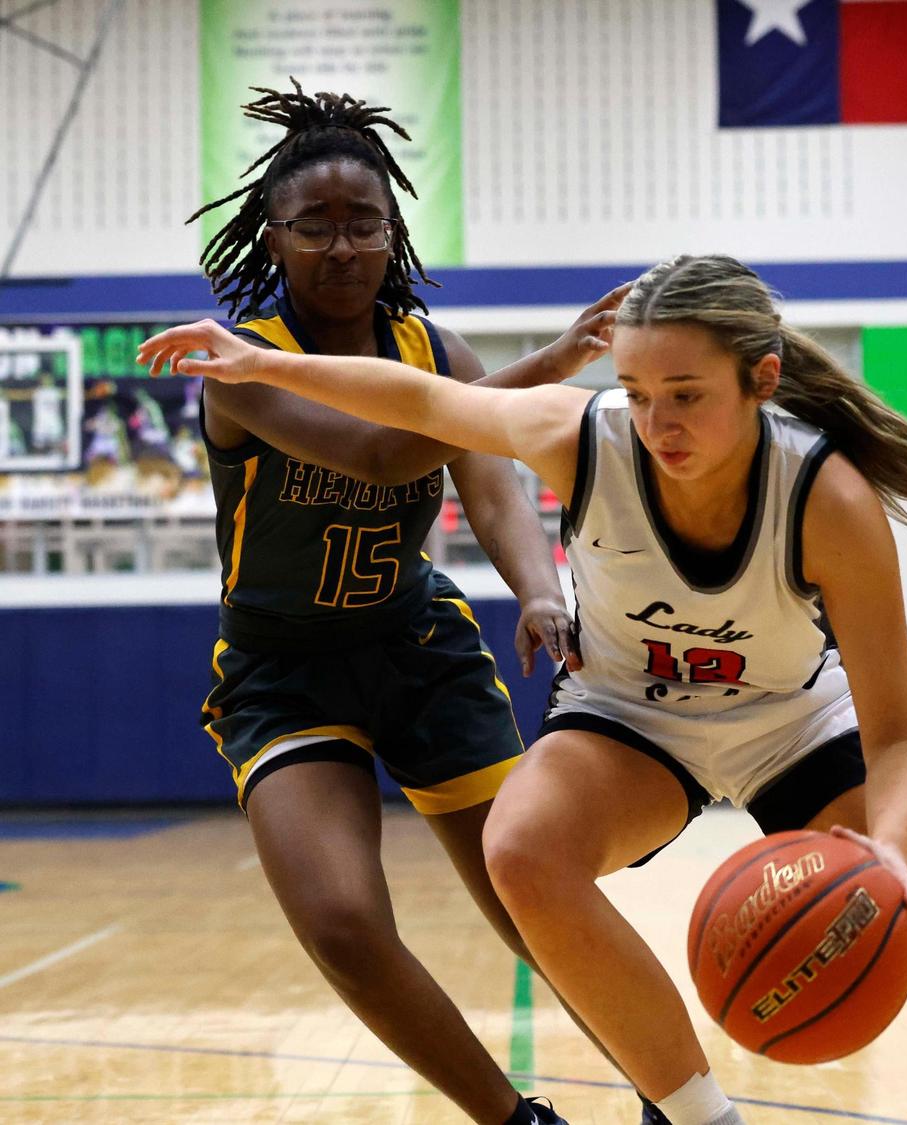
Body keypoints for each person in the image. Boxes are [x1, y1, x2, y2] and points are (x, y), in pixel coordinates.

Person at [138, 254, 907, 1125]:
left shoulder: (827, 497)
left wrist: (887, 853)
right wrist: (258, 362)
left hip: (792, 726)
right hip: (633, 718)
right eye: (637, 392)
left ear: (760, 381)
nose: (657, 423)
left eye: (685, 394)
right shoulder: (582, 436)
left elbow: (899, 739)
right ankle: (695, 1117)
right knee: (520, 849)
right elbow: (418, 404)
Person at [170, 81, 630, 1125]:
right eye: (315, 227)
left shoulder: (433, 350)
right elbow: (387, 453)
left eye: (362, 224)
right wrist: (547, 369)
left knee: (536, 900)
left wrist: (541, 591)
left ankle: (673, 1097)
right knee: (340, 923)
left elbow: (493, 484)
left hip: (417, 646)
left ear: (393, 232)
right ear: (274, 239)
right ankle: (513, 1122)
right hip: (283, 667)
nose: (341, 246)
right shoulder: (239, 368)